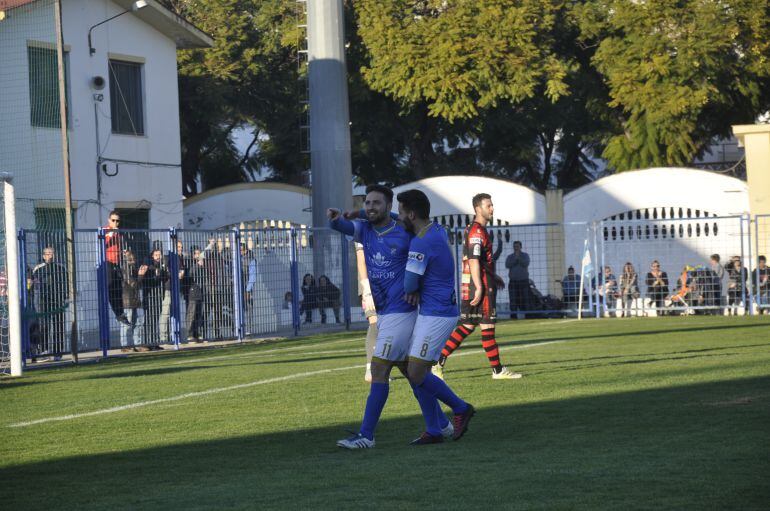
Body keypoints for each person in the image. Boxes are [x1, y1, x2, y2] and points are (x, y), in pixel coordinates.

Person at [329, 184, 461, 449]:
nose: (370, 207)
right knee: (412, 373)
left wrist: (417, 288)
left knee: (378, 369)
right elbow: (340, 226)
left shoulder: (404, 230)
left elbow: (426, 259)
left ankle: (366, 435)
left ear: (390, 207)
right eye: (367, 203)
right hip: (385, 311)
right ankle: (440, 424)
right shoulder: (365, 229)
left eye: (376, 203)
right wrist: (337, 218)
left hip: (402, 310)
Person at [394, 189, 474, 444]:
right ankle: (434, 429)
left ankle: (460, 408)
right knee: (411, 368)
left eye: (401, 211)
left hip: (437, 315)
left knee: (417, 373)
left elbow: (408, 284)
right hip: (434, 311)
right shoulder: (436, 229)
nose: (398, 216)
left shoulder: (421, 242)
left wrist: (413, 288)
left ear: (412, 214)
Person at [434, 193, 521, 380]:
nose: (492, 208)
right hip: (479, 285)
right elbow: (473, 260)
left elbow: (478, 261)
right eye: (488, 206)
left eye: (492, 205)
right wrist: (480, 286)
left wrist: (492, 276)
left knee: (467, 325)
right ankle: (497, 371)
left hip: (475, 282)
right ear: (477, 209)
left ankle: (437, 362)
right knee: (487, 326)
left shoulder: (475, 229)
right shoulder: (477, 232)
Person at [31, 247, 68, 358]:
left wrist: (65, 297)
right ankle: (44, 350)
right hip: (44, 302)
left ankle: (58, 352)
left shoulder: (61, 268)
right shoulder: (38, 269)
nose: (50, 256)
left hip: (58, 302)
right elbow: (35, 287)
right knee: (43, 326)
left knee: (59, 326)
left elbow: (66, 284)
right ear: (43, 256)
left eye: (51, 253)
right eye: (47, 254)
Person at [356, 242, 378, 382]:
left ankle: (378, 368)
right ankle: (371, 368)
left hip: (387, 281)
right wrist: (366, 288)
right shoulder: (362, 227)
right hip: (370, 284)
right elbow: (361, 258)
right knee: (375, 322)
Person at [140, 248, 169, 350]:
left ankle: (154, 342)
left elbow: (164, 278)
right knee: (149, 319)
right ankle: (147, 342)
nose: (158, 256)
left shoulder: (161, 266)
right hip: (149, 296)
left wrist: (163, 273)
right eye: (156, 254)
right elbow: (147, 281)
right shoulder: (148, 266)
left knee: (155, 319)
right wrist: (156, 275)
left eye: (159, 254)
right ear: (152, 256)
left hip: (158, 296)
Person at [103, 211, 128, 325]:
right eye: (113, 220)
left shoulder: (119, 233)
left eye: (117, 221)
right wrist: (112, 233)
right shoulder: (105, 231)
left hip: (117, 263)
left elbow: (118, 247)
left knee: (119, 289)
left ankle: (120, 314)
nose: (116, 223)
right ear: (109, 220)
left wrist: (123, 252)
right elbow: (104, 244)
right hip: (107, 263)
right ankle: (118, 313)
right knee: (111, 289)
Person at [118, 249, 142, 351]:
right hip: (127, 300)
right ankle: (124, 345)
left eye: (133, 259)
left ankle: (137, 344)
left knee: (137, 323)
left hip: (134, 299)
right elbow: (132, 283)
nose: (133, 261)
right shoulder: (125, 269)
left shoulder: (133, 269)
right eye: (130, 259)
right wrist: (141, 275)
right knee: (126, 325)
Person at [185, 246, 207, 343]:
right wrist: (198, 265)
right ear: (193, 255)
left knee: (198, 314)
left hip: (200, 291)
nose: (198, 256)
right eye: (196, 254)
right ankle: (189, 334)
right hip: (192, 292)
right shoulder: (190, 263)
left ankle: (197, 333)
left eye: (199, 253)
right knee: (191, 314)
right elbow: (190, 273)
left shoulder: (202, 265)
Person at [505, 240, 530, 318]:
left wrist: (519, 258)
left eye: (517, 246)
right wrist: (515, 260)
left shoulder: (525, 255)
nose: (516, 248)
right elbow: (507, 265)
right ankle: (513, 316)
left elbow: (526, 263)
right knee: (513, 300)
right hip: (513, 282)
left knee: (526, 299)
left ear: (521, 247)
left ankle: (528, 315)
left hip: (524, 281)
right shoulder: (510, 257)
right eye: (514, 246)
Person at [239, 244, 257, 334]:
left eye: (241, 250)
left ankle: (249, 329)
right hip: (239, 286)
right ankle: (240, 327)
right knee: (240, 307)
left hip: (246, 287)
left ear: (245, 250)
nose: (240, 252)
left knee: (248, 307)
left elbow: (253, 277)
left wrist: (248, 290)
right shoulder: (238, 258)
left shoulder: (251, 259)